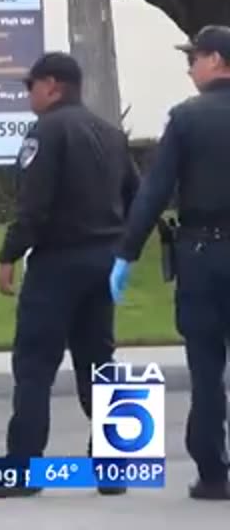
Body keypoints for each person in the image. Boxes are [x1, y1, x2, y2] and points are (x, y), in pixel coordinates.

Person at [0, 52, 138, 499]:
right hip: (104, 260)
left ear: (53, 86)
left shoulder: (46, 131)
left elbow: (34, 205)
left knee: (35, 365)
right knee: (99, 362)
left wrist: (9, 254)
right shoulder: (111, 134)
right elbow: (136, 195)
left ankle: (23, 468)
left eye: (32, 86)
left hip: (58, 261)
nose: (29, 95)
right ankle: (114, 467)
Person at [110, 26, 230, 502]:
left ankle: (213, 472)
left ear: (216, 60)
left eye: (193, 58)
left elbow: (154, 192)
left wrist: (126, 252)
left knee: (206, 368)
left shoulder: (186, 118)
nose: (189, 68)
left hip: (202, 254)